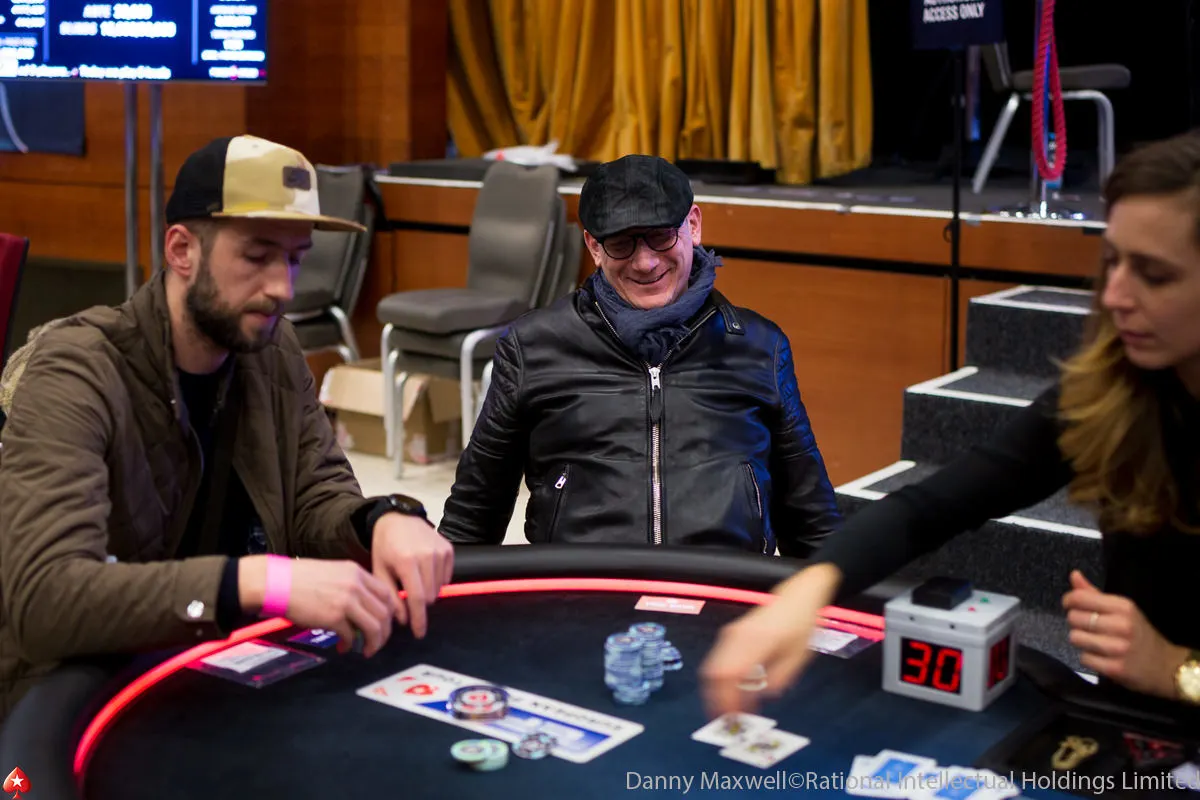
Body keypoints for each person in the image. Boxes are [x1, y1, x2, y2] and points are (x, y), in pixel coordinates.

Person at [699, 131, 1200, 717]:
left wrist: (1178, 670)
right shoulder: (1113, 391)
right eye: (1112, 261)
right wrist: (805, 591)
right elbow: (934, 506)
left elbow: (1167, 668)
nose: (1114, 296)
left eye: (1153, 275)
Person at [0, 135, 453, 719]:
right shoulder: (74, 369)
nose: (283, 288)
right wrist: (261, 582)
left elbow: (315, 495)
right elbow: (46, 599)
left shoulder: (271, 346)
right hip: (75, 702)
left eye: (295, 258)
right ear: (181, 250)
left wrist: (380, 521)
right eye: (258, 256)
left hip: (216, 673)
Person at [437, 154, 841, 554]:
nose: (645, 262)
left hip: (722, 585)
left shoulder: (759, 345)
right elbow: (473, 515)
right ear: (594, 247)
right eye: (620, 244)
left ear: (693, 225)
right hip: (582, 588)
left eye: (661, 236)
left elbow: (812, 521)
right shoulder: (533, 346)